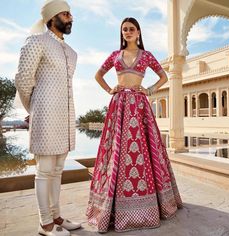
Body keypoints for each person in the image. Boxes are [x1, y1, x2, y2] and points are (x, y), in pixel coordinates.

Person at [86, 17, 183, 233]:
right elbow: (98, 75)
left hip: (139, 106)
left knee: (142, 150)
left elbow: (163, 76)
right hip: (119, 106)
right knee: (117, 152)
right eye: (124, 30)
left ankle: (152, 205)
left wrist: (149, 90)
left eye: (131, 29)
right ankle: (113, 207)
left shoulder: (146, 56)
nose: (127, 32)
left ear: (138, 32)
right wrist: (110, 89)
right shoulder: (115, 55)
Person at [15, 0, 81, 235]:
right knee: (44, 170)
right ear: (51, 18)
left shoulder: (72, 53)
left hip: (65, 117)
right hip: (44, 114)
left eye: (70, 14)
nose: (70, 18)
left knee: (58, 170)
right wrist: (35, 108)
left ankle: (57, 217)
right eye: (65, 14)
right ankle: (45, 224)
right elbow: (23, 81)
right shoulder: (37, 41)